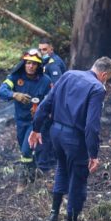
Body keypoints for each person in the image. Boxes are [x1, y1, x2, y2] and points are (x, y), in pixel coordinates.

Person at [29, 57, 111, 221]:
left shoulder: (68, 75)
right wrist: (93, 153)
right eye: (107, 79)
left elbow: (46, 103)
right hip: (74, 139)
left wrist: (36, 128)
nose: (106, 83)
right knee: (78, 178)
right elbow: (92, 126)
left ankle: (54, 214)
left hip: (56, 132)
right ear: (104, 74)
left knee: (62, 167)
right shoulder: (97, 88)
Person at [0, 49, 53, 183]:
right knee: (25, 149)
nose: (30, 66)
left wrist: (43, 110)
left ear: (38, 66)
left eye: (34, 64)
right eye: (28, 63)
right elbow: (1, 91)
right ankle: (34, 173)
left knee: (26, 150)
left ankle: (23, 180)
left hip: (36, 122)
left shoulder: (45, 81)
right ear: (24, 63)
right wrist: (14, 95)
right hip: (20, 120)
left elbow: (54, 99)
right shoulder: (16, 77)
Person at [36, 42, 67, 172]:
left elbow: (57, 87)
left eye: (44, 49)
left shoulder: (53, 63)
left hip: (53, 104)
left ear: (51, 49)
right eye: (40, 49)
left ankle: (44, 164)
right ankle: (51, 160)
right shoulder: (46, 62)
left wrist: (51, 108)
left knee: (45, 132)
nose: (42, 52)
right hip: (49, 102)